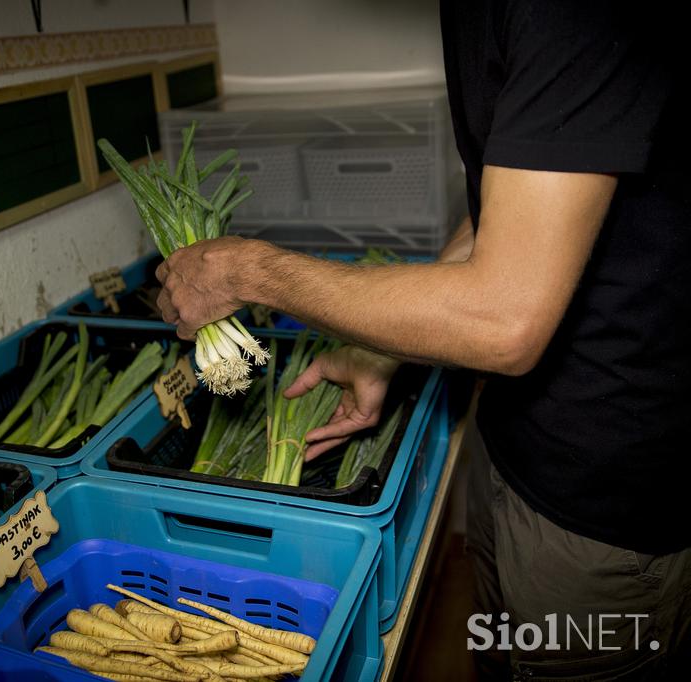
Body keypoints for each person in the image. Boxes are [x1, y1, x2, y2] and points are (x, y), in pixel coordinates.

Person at [153, 0, 691, 678]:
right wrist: (386, 349)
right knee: (500, 660)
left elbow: (504, 322)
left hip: (603, 505)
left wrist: (251, 271)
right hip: (518, 447)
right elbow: (511, 210)